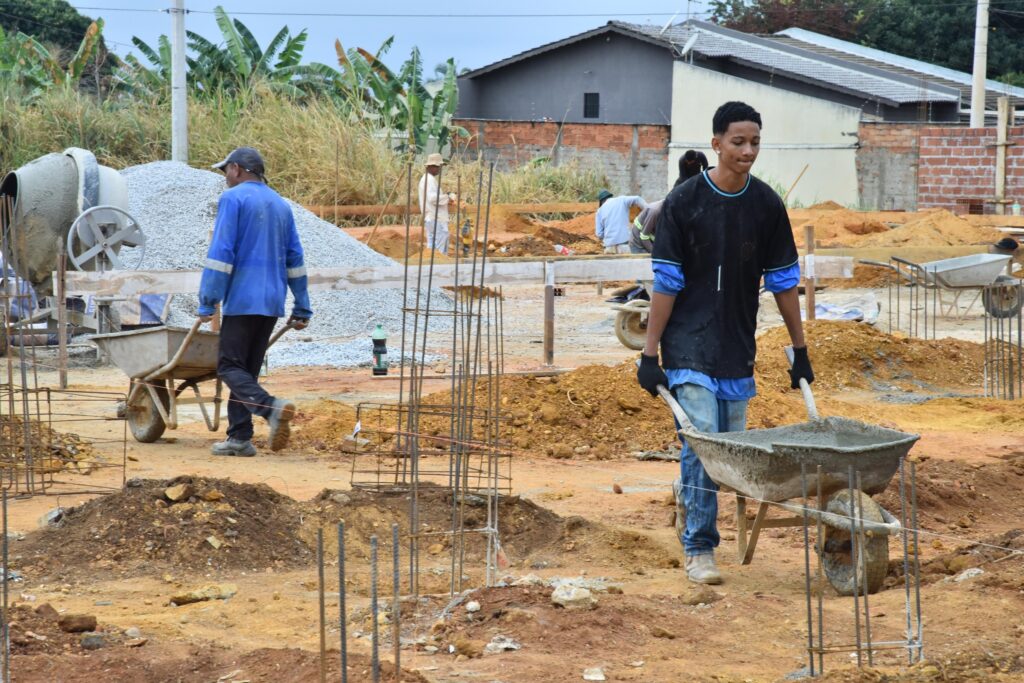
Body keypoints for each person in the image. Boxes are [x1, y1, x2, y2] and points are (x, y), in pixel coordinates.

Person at [636, 102, 814, 585]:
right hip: (687, 342)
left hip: (736, 344)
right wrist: (650, 354)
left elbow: (784, 283)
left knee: (730, 450)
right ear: (716, 144)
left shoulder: (766, 205)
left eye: (755, 142)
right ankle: (700, 547)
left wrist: (800, 350)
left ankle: (687, 499)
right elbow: (666, 284)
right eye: (738, 142)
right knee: (705, 443)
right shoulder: (684, 203)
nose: (748, 151)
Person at [198, 146, 312, 457]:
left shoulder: (233, 199)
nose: (225, 177)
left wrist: (208, 300)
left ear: (236, 168)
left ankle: (271, 408)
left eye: (226, 171)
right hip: (272, 300)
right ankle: (239, 438)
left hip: (243, 298)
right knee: (246, 371)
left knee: (228, 367)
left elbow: (221, 254)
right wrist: (302, 304)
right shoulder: (280, 204)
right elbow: (295, 258)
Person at [628, 149, 707, 255]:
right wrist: (656, 253)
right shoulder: (655, 211)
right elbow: (644, 236)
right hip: (638, 243)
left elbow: (706, 169)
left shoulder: (669, 213)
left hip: (649, 241)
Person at [418, 153, 454, 254]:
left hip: (430, 218)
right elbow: (433, 198)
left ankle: (431, 263)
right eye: (439, 167)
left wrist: (445, 197)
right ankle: (439, 263)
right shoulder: (429, 180)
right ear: (432, 167)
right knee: (440, 247)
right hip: (436, 218)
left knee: (431, 247)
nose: (440, 169)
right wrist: (447, 198)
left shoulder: (426, 179)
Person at [595, 189, 647, 254]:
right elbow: (637, 198)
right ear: (610, 197)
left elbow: (599, 234)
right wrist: (648, 209)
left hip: (609, 248)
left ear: (601, 202)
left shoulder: (599, 211)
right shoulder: (621, 200)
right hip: (624, 245)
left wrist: (609, 237)